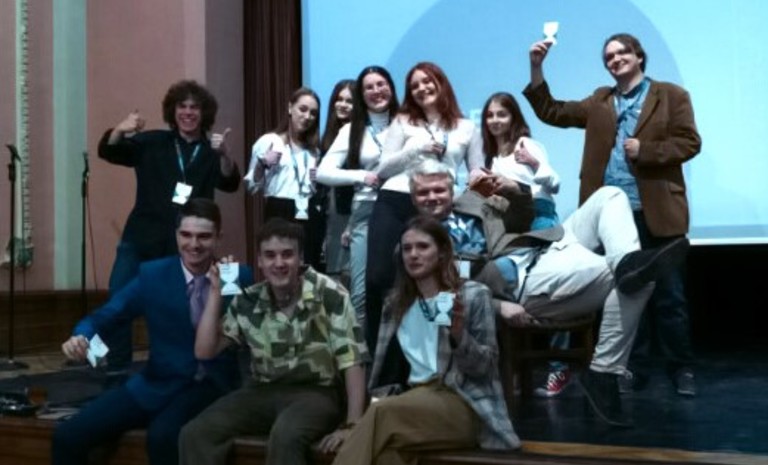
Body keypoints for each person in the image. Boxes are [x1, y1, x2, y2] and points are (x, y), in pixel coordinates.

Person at [409, 160, 689, 426]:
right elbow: (437, 303)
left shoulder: (471, 203)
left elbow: (523, 219)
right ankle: (605, 372)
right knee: (642, 279)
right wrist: (498, 307)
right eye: (424, 192)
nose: (432, 197)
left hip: (546, 247)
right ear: (412, 197)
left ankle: (624, 264)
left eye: (439, 190)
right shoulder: (414, 245)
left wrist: (514, 191)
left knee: (611, 195)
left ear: (451, 190)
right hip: (525, 283)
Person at [524, 33, 702, 396]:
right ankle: (633, 368)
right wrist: (537, 67)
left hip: (657, 211)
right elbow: (552, 111)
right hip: (612, 220)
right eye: (609, 56)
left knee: (670, 297)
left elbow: (689, 142)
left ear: (639, 57)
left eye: (622, 52)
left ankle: (681, 368)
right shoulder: (601, 100)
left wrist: (646, 150)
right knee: (625, 294)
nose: (615, 59)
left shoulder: (671, 95)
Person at [51, 199, 253, 465]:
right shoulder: (154, 275)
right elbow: (109, 315)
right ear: (176, 234)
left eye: (204, 236)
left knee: (162, 437)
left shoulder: (234, 276)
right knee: (67, 435)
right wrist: (82, 336)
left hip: (211, 385)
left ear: (218, 237)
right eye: (186, 235)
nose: (194, 244)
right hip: (156, 383)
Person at [330, 216, 520, 464]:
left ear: (441, 253)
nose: (413, 255)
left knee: (380, 413)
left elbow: (485, 367)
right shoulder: (396, 305)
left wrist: (458, 336)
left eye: (422, 247)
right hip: (414, 399)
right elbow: (386, 369)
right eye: (407, 249)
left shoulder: (471, 296)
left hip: (463, 401)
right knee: (387, 453)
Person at [179, 218, 368, 465]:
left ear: (300, 258)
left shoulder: (329, 293)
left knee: (286, 435)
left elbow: (352, 360)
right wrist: (216, 291)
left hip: (317, 393)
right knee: (195, 433)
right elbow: (204, 351)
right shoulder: (249, 300)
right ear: (259, 261)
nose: (279, 263)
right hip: (262, 391)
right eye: (270, 256)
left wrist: (353, 424)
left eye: (287, 254)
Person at [97, 80, 241, 376]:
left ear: (204, 113)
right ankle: (118, 367)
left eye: (194, 107)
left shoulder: (211, 150)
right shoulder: (153, 141)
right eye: (182, 107)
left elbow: (229, 182)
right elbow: (110, 151)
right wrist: (121, 129)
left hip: (185, 244)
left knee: (176, 305)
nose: (188, 113)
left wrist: (225, 154)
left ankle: (177, 364)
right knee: (119, 295)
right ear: (173, 112)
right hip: (141, 236)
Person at [365, 61, 483, 353]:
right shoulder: (403, 121)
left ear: (441, 83)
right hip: (396, 199)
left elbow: (476, 170)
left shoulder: (467, 127)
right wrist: (417, 149)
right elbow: (383, 168)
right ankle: (380, 359)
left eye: (427, 81)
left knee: (437, 281)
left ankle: (434, 354)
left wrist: (480, 180)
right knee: (381, 278)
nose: (421, 88)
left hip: (438, 205)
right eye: (414, 85)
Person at [480, 91, 569, 397]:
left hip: (539, 222)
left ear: (513, 117)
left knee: (553, 287)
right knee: (497, 283)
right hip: (506, 227)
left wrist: (533, 164)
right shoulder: (491, 157)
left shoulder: (525, 145)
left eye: (501, 114)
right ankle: (512, 366)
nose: (495, 120)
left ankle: (559, 366)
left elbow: (554, 183)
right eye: (490, 115)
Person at [318, 66, 399, 338]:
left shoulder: (407, 123)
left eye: (381, 84)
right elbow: (323, 172)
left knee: (400, 288)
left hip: (402, 210)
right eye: (369, 87)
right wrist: (361, 176)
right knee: (362, 292)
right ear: (361, 96)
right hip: (366, 211)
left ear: (391, 87)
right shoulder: (352, 130)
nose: (376, 91)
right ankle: (361, 358)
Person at [243, 87, 324, 270]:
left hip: (308, 211)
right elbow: (252, 187)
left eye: (313, 113)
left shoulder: (314, 151)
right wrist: (262, 164)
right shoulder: (270, 141)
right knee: (281, 266)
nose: (307, 116)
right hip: (279, 209)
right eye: (302, 109)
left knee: (308, 266)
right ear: (290, 108)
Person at [320, 79, 356, 282]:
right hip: (327, 212)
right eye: (339, 99)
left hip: (349, 212)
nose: (343, 105)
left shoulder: (359, 136)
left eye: (349, 101)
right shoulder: (327, 136)